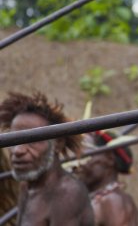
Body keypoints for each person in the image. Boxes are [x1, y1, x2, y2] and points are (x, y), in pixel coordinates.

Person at [0, 91, 94, 225]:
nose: (18, 150)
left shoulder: (67, 193)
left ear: (58, 143)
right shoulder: (26, 187)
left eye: (31, 140)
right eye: (13, 141)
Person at [76, 130, 138, 226]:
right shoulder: (98, 200)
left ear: (109, 159)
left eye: (86, 154)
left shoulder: (113, 201)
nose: (78, 163)